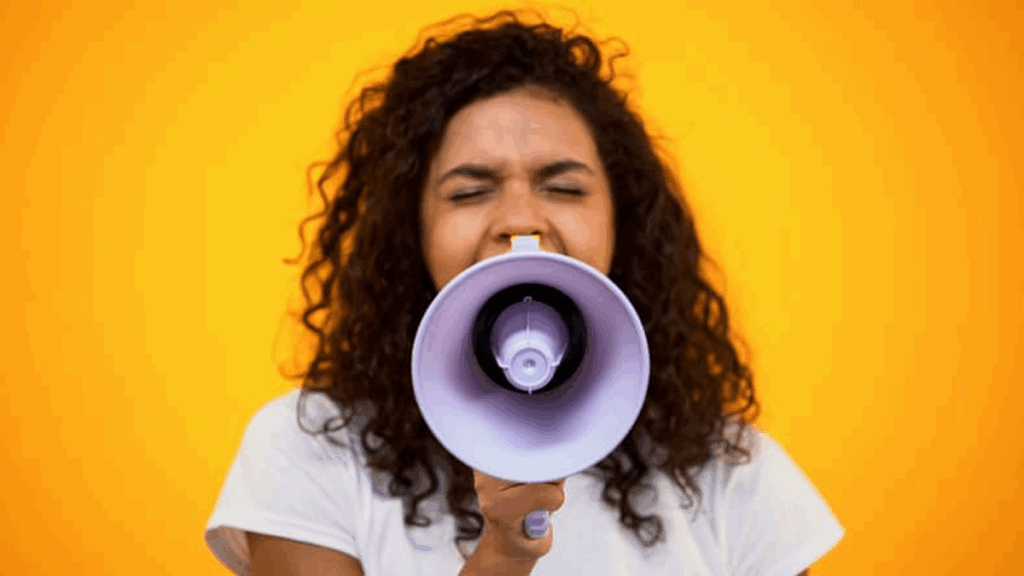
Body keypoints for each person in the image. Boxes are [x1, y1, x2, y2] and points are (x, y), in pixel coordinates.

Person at [204, 9, 844, 575]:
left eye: (563, 188)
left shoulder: (734, 474)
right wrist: (502, 559)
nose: (521, 220)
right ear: (411, 230)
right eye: (469, 191)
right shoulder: (310, 448)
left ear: (625, 221)